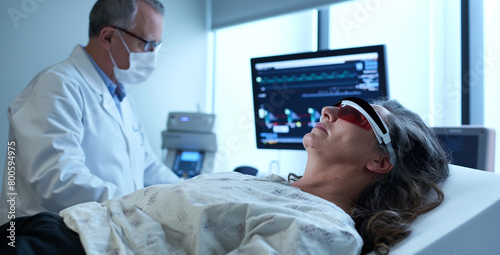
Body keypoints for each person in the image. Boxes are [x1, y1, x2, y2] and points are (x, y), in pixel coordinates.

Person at [0, 97, 450, 255]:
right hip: (57, 226)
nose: (330, 110)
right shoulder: (263, 184)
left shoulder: (325, 229)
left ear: (380, 161)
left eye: (354, 112)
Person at [0, 0, 179, 220]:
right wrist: (141, 204)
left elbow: (148, 166)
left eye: (157, 46)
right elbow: (58, 180)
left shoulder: (121, 96)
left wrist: (187, 192)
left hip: (106, 228)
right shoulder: (56, 85)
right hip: (48, 237)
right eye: (147, 44)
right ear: (108, 37)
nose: (153, 55)